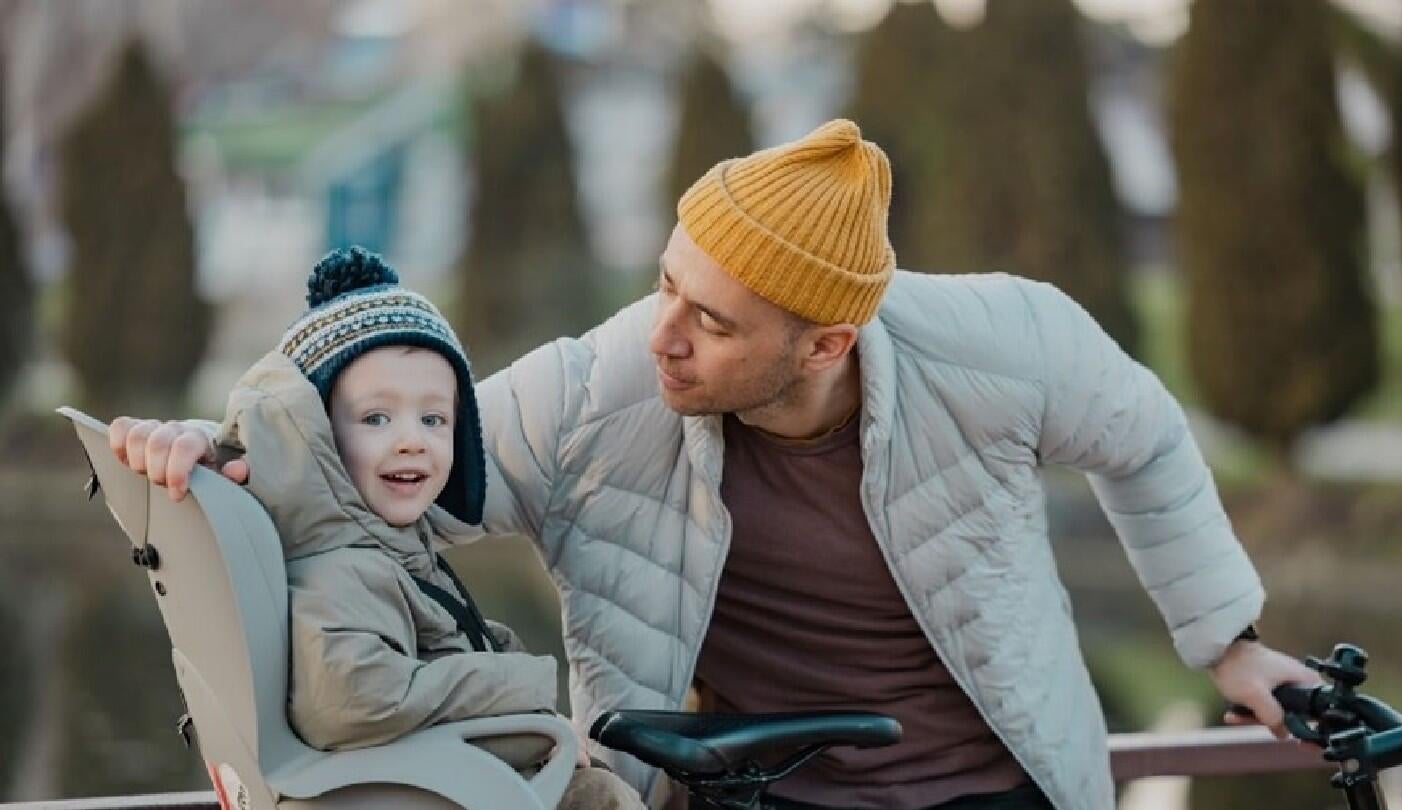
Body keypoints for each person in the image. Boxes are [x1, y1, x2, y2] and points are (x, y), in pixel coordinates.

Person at [112, 120, 1317, 810]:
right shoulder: (600, 386)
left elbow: (1150, 438)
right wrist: (221, 453)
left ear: (825, 342)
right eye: (666, 283)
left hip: (1004, 795)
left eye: (714, 321)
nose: (666, 334)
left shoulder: (1006, 340)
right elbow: (379, 451)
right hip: (750, 800)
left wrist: (1228, 641)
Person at [207, 247, 642, 810]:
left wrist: (530, 717)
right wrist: (521, 688)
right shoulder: (343, 565)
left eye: (433, 419)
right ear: (319, 438)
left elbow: (432, 655)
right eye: (376, 418)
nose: (410, 439)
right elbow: (348, 698)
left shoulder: (389, 548)